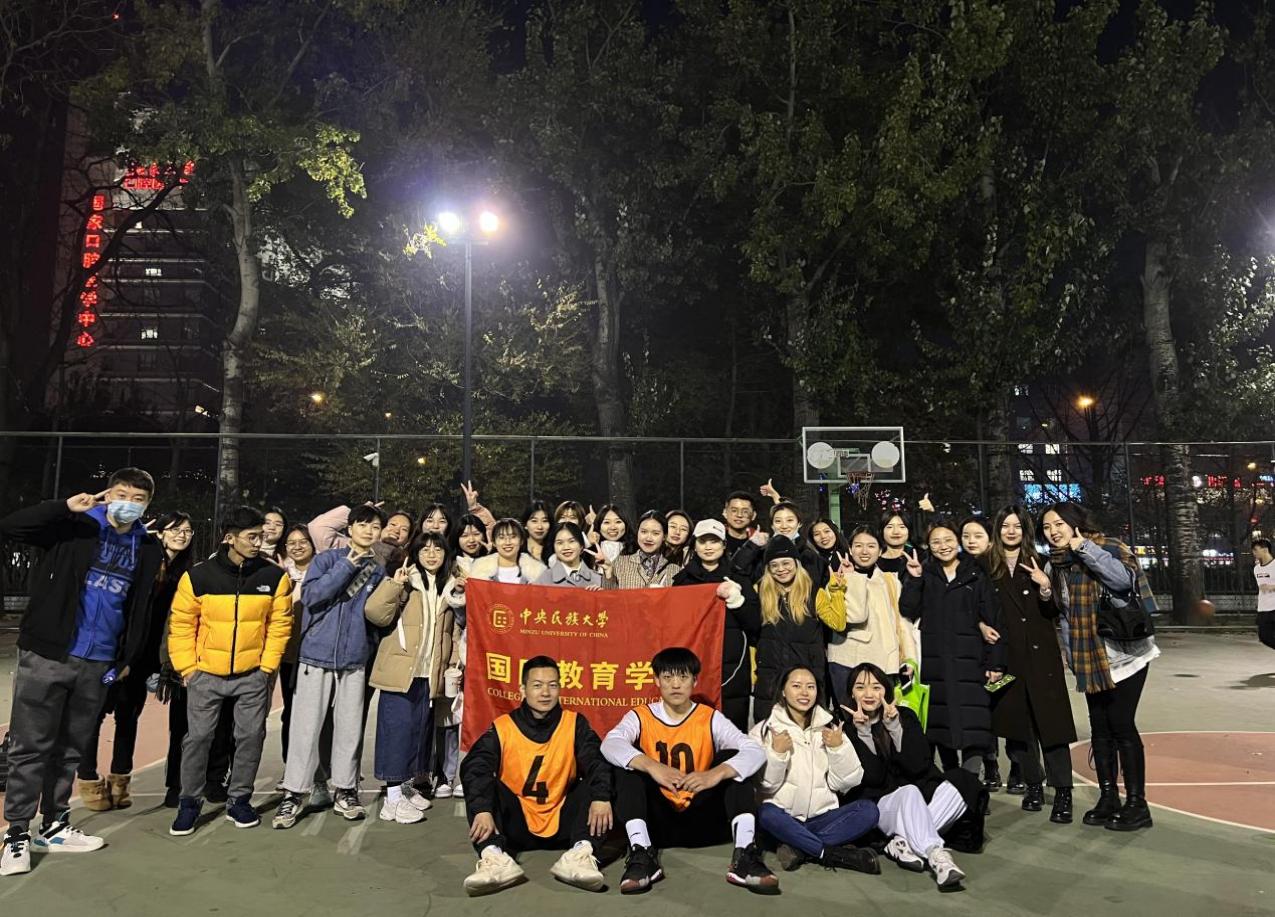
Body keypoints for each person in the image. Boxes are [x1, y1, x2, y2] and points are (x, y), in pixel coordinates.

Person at [0, 469, 164, 876]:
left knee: (71, 747)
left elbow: (139, 606)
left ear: (147, 504)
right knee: (29, 747)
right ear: (107, 494)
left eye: (138, 498)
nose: (128, 503)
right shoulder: (74, 526)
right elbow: (12, 527)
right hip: (49, 652)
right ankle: (16, 833)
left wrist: (125, 659)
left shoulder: (146, 547)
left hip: (99, 661)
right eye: (121, 494)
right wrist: (64, 507)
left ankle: (54, 825)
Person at [602, 647, 778, 895]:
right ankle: (642, 853)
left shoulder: (710, 717)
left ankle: (745, 854)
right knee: (629, 766)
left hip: (703, 820)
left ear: (695, 681)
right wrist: (652, 766)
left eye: (683, 677)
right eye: (668, 677)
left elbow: (755, 751)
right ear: (656, 680)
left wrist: (715, 774)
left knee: (732, 762)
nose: (676, 685)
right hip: (658, 823)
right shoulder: (641, 716)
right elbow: (610, 744)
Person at [168, 506, 293, 837]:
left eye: (261, 536)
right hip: (205, 675)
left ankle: (239, 800)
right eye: (251, 537)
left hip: (253, 675)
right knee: (198, 738)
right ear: (229, 538)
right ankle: (189, 803)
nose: (258, 542)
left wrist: (266, 667)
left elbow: (280, 625)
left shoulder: (273, 576)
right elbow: (181, 625)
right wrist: (188, 668)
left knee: (250, 737)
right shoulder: (198, 576)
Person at [1041, 502, 1159, 832]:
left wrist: (1085, 549)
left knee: (1121, 723)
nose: (1053, 531)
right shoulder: (1054, 564)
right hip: (1088, 657)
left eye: (1059, 524)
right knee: (1100, 728)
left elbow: (1122, 582)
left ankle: (1137, 804)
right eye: (1047, 527)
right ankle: (1108, 797)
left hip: (1125, 654)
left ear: (1075, 523)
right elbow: (1063, 615)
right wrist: (1046, 591)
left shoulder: (1108, 547)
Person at [272, 504, 388, 829]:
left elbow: (375, 615)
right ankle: (294, 792)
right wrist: (348, 564)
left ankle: (346, 790)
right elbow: (313, 596)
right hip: (315, 656)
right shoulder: (326, 560)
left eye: (374, 527)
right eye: (362, 525)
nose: (368, 531)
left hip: (353, 659)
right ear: (349, 529)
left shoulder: (377, 570)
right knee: (305, 728)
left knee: (350, 728)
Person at [460, 656, 614, 896]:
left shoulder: (574, 723)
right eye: (537, 685)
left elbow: (597, 761)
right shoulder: (503, 727)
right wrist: (482, 808)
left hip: (564, 822)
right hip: (516, 824)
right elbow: (475, 766)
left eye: (552, 685)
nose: (545, 693)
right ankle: (494, 858)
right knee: (483, 781)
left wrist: (601, 797)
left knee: (604, 778)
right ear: (522, 689)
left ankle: (580, 855)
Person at [78, 510, 194, 813]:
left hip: (146, 658)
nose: (181, 535)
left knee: (129, 715)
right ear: (161, 533)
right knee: (96, 712)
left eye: (187, 531)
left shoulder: (186, 573)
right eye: (175, 529)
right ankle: (88, 777)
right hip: (118, 653)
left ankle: (120, 779)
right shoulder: (143, 560)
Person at [842, 663, 983, 892]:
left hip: (917, 794)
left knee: (963, 782)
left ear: (886, 691)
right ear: (851, 693)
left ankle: (903, 842)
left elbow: (919, 766)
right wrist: (864, 733)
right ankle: (937, 856)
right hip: (882, 805)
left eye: (876, 687)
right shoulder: (847, 729)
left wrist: (895, 728)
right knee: (909, 792)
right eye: (860, 687)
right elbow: (874, 778)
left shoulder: (904, 715)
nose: (869, 694)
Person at [985, 506, 1077, 823]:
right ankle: (1033, 785)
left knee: (1052, 726)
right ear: (997, 530)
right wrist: (982, 626)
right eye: (1005, 526)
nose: (1011, 531)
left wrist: (1045, 587)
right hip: (1007, 657)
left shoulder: (1042, 561)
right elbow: (978, 607)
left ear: (1025, 531)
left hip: (1042, 656)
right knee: (1019, 728)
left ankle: (1063, 791)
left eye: (1017, 526)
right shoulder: (987, 565)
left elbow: (1055, 610)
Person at [362, 531, 460, 824]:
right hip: (401, 670)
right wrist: (395, 584)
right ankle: (391, 798)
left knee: (418, 733)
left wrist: (451, 663)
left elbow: (451, 632)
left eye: (437, 549)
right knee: (397, 732)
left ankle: (404, 788)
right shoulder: (406, 582)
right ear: (415, 554)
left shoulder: (447, 587)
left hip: (428, 673)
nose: (431, 554)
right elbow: (374, 613)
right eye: (425, 549)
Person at [899, 520, 1006, 773]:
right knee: (940, 726)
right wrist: (915, 579)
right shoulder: (924, 573)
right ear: (928, 546)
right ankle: (951, 780)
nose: (943, 546)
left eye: (948, 540)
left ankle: (969, 782)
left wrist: (996, 663)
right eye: (936, 542)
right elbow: (908, 609)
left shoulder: (977, 574)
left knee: (974, 726)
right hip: (935, 665)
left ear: (958, 542)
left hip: (972, 663)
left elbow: (993, 620)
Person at [750, 666, 879, 874]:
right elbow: (764, 785)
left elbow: (847, 782)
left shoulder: (830, 728)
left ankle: (800, 848)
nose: (804, 692)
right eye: (796, 686)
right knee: (767, 813)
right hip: (784, 818)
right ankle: (830, 853)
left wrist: (838, 749)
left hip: (822, 819)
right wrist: (777, 754)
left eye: (810, 687)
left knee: (868, 811)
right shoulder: (765, 730)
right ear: (783, 691)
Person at [672, 519, 757, 730]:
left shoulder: (739, 578)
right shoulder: (682, 581)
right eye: (703, 541)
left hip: (732, 669)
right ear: (694, 545)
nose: (708, 547)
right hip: (693, 664)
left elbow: (755, 624)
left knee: (731, 732)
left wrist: (737, 600)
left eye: (714, 541)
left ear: (724, 545)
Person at [752, 536, 847, 722]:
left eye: (786, 563)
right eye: (774, 565)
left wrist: (836, 592)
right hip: (770, 681)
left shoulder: (812, 592)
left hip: (806, 679)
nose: (781, 569)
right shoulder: (761, 592)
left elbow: (838, 623)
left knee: (808, 733)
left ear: (796, 563)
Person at [827, 525, 916, 707]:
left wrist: (909, 658)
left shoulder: (890, 580)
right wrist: (851, 578)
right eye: (858, 546)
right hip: (849, 663)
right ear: (850, 549)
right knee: (853, 719)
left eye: (871, 546)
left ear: (880, 550)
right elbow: (856, 616)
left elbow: (902, 623)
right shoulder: (837, 581)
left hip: (886, 663)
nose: (864, 551)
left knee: (885, 719)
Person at [958, 515, 1006, 793]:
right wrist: (977, 624)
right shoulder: (960, 567)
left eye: (977, 535)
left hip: (999, 653)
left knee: (1001, 713)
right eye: (966, 536)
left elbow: (1000, 619)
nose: (971, 541)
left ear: (990, 539)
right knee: (978, 714)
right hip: (971, 656)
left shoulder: (999, 568)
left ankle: (1014, 768)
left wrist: (996, 661)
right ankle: (989, 764)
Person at [733, 502, 828, 588]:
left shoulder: (809, 554)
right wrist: (752, 545)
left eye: (790, 520)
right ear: (772, 526)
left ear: (799, 523)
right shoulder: (762, 553)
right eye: (778, 521)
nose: (784, 526)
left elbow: (816, 586)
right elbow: (735, 571)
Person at [308, 501, 408, 566]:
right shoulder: (349, 546)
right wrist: (360, 515)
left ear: (408, 538)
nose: (396, 530)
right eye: (393, 524)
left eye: (404, 529)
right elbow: (317, 528)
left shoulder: (404, 563)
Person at [605, 511, 680, 588]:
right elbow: (607, 593)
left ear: (664, 537)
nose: (648, 538)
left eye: (655, 533)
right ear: (637, 532)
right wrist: (608, 573)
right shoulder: (619, 563)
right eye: (644, 532)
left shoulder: (674, 570)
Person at [536, 522, 604, 588]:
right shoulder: (544, 580)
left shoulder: (598, 578)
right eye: (560, 543)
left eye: (571, 541)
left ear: (581, 546)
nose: (566, 547)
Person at [721, 491, 758, 559]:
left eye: (745, 511)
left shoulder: (759, 546)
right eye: (734, 510)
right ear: (725, 513)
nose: (739, 515)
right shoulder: (716, 542)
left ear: (753, 515)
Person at [876, 511, 913, 579]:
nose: (896, 532)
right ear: (881, 531)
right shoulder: (874, 561)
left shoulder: (921, 557)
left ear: (909, 531)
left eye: (902, 527)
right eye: (890, 527)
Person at [1253, 538, 1275, 650]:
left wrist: (1272, 587)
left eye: (1256, 550)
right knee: (1264, 637)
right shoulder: (1256, 569)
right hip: (1263, 608)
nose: (1254, 553)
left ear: (1265, 550)